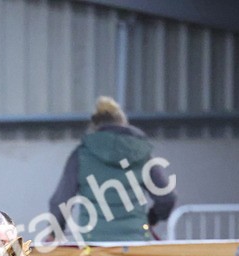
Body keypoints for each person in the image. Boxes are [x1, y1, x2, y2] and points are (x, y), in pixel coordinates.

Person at [48, 96, 176, 242]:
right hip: (136, 241)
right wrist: (152, 218)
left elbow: (60, 201)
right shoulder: (143, 154)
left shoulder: (81, 155)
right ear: (123, 121)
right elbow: (167, 198)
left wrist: (55, 231)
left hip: (93, 243)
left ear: (95, 124)